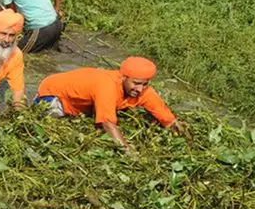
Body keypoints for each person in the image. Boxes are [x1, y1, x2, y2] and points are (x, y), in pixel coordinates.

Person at [34, 57, 188, 151]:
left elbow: (168, 119)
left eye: (145, 84)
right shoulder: (107, 86)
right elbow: (107, 123)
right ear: (123, 77)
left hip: (84, 100)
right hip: (53, 94)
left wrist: (185, 139)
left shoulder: (144, 91)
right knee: (54, 116)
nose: (140, 89)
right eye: (136, 83)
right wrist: (128, 151)